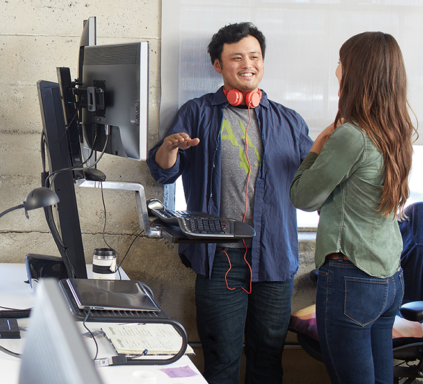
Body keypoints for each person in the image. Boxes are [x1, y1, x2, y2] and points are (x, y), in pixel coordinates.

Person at [147, 22, 313, 384]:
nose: (247, 64)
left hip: (274, 258)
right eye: (236, 57)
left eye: (254, 56)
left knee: (268, 358)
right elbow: (163, 174)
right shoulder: (197, 113)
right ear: (218, 65)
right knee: (221, 357)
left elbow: (312, 184)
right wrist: (169, 148)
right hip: (220, 258)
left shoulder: (289, 121)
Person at [289, 31, 415, 384]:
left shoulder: (350, 135)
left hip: (352, 281)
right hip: (390, 280)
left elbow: (302, 197)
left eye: (341, 63)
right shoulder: (395, 130)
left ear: (357, 72)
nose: (336, 72)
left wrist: (317, 145)